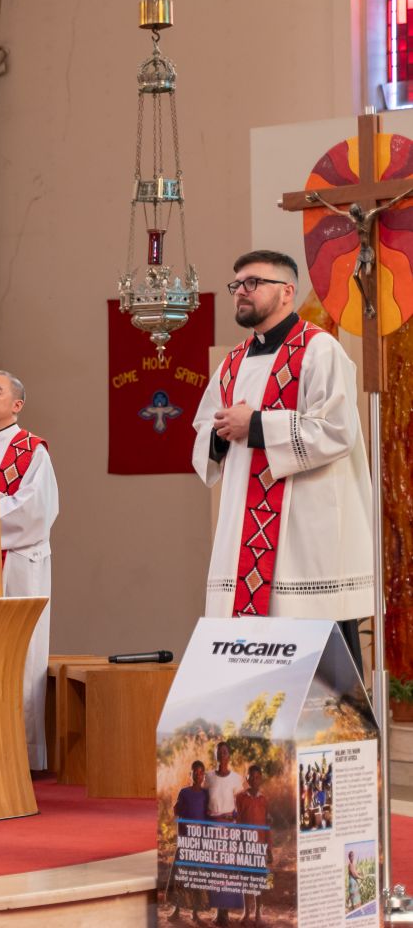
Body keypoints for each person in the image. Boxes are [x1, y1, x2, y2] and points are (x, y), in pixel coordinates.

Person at [192, 251, 373, 666]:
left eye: (253, 283)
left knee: (323, 677)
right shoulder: (232, 363)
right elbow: (205, 430)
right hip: (245, 541)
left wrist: (255, 425)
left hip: (306, 542)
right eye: (237, 285)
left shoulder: (319, 350)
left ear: (287, 292)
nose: (241, 292)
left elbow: (337, 430)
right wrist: (219, 435)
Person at [0, 370, 59, 771]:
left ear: (17, 405)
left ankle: (22, 752)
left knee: (21, 655)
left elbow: (36, 512)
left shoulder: (32, 450)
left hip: (20, 566)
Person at [203, 742, 244, 925]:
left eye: (225, 752)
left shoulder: (236, 779)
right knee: (215, 870)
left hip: (229, 828)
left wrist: (233, 817)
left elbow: (240, 806)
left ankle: (225, 912)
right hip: (212, 828)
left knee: (228, 870)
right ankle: (218, 911)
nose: (222, 755)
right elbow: (203, 800)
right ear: (215, 755)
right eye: (218, 752)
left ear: (229, 755)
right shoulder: (208, 777)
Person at [167, 760, 210, 924]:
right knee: (180, 876)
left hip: (199, 842)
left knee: (197, 877)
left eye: (201, 772)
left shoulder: (206, 794)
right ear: (190, 774)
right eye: (195, 772)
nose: (198, 775)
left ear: (204, 775)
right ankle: (176, 910)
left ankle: (195, 913)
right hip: (185, 841)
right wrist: (182, 834)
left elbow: (208, 815)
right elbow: (176, 811)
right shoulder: (184, 792)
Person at [235, 764, 268, 925]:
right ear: (246, 778)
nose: (254, 780)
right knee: (245, 879)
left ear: (260, 779)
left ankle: (258, 913)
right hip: (244, 845)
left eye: (257, 777)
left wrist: (269, 848)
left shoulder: (263, 799)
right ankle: (246, 912)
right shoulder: (240, 797)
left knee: (258, 880)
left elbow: (266, 824)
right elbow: (237, 821)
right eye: (251, 776)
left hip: (260, 846)